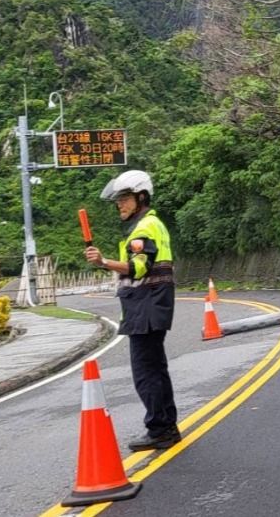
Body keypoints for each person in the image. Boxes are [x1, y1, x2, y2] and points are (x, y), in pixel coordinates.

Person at [84, 169, 181, 451]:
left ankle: (160, 429)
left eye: (125, 198)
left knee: (146, 373)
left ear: (141, 197)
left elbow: (139, 267)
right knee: (156, 370)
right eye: (118, 199)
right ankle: (166, 427)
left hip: (146, 306)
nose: (119, 204)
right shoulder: (152, 225)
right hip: (151, 305)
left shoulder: (144, 228)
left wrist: (104, 262)